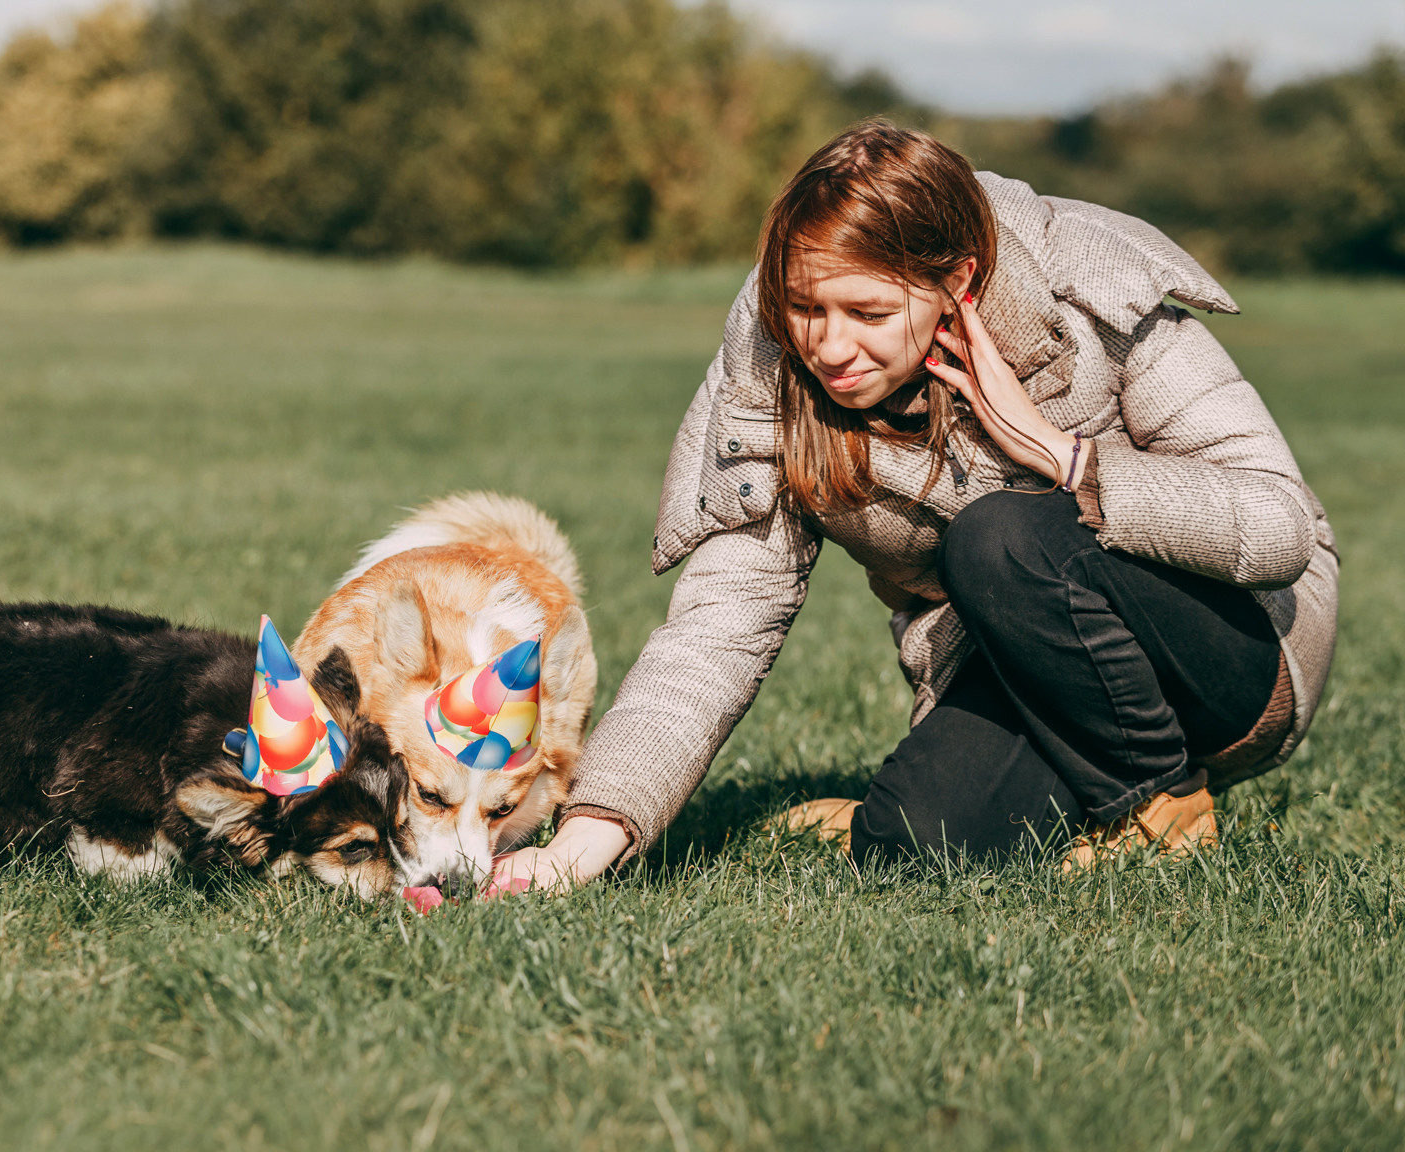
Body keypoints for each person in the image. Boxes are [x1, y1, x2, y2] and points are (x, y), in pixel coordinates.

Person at [492, 119, 1337, 891]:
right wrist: (582, 843)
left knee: (999, 535)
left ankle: (1160, 806)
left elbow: (1280, 525)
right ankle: (1079, 798)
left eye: (866, 311)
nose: (827, 344)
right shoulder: (772, 368)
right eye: (805, 307)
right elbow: (720, 624)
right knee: (909, 840)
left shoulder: (1093, 301)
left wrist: (1061, 456)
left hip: (1238, 653)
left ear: (956, 280)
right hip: (1036, 670)